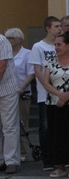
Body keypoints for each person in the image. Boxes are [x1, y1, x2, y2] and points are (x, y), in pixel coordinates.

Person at [42, 31, 69, 178]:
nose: (56, 47)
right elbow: (45, 83)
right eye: (55, 44)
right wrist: (60, 95)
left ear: (68, 46)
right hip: (54, 104)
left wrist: (67, 96)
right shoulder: (49, 62)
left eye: (59, 44)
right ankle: (59, 166)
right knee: (56, 134)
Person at [29, 16, 62, 170]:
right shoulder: (38, 47)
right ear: (48, 28)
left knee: (58, 126)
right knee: (45, 126)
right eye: (56, 26)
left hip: (61, 93)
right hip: (45, 93)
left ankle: (59, 157)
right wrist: (48, 86)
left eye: (60, 26)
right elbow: (37, 70)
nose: (60, 29)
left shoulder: (60, 46)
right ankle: (47, 158)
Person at [5, 28, 34, 162]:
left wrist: (21, 88)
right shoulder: (5, 53)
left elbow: (31, 73)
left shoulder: (27, 54)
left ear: (19, 40)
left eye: (11, 38)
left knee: (22, 122)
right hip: (6, 93)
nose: (9, 40)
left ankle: (23, 151)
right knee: (8, 124)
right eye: (8, 38)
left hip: (22, 93)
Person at [0, 34, 21, 174]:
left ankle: (11, 161)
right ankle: (1, 159)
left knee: (9, 125)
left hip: (6, 88)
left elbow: (2, 65)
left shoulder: (1, 40)